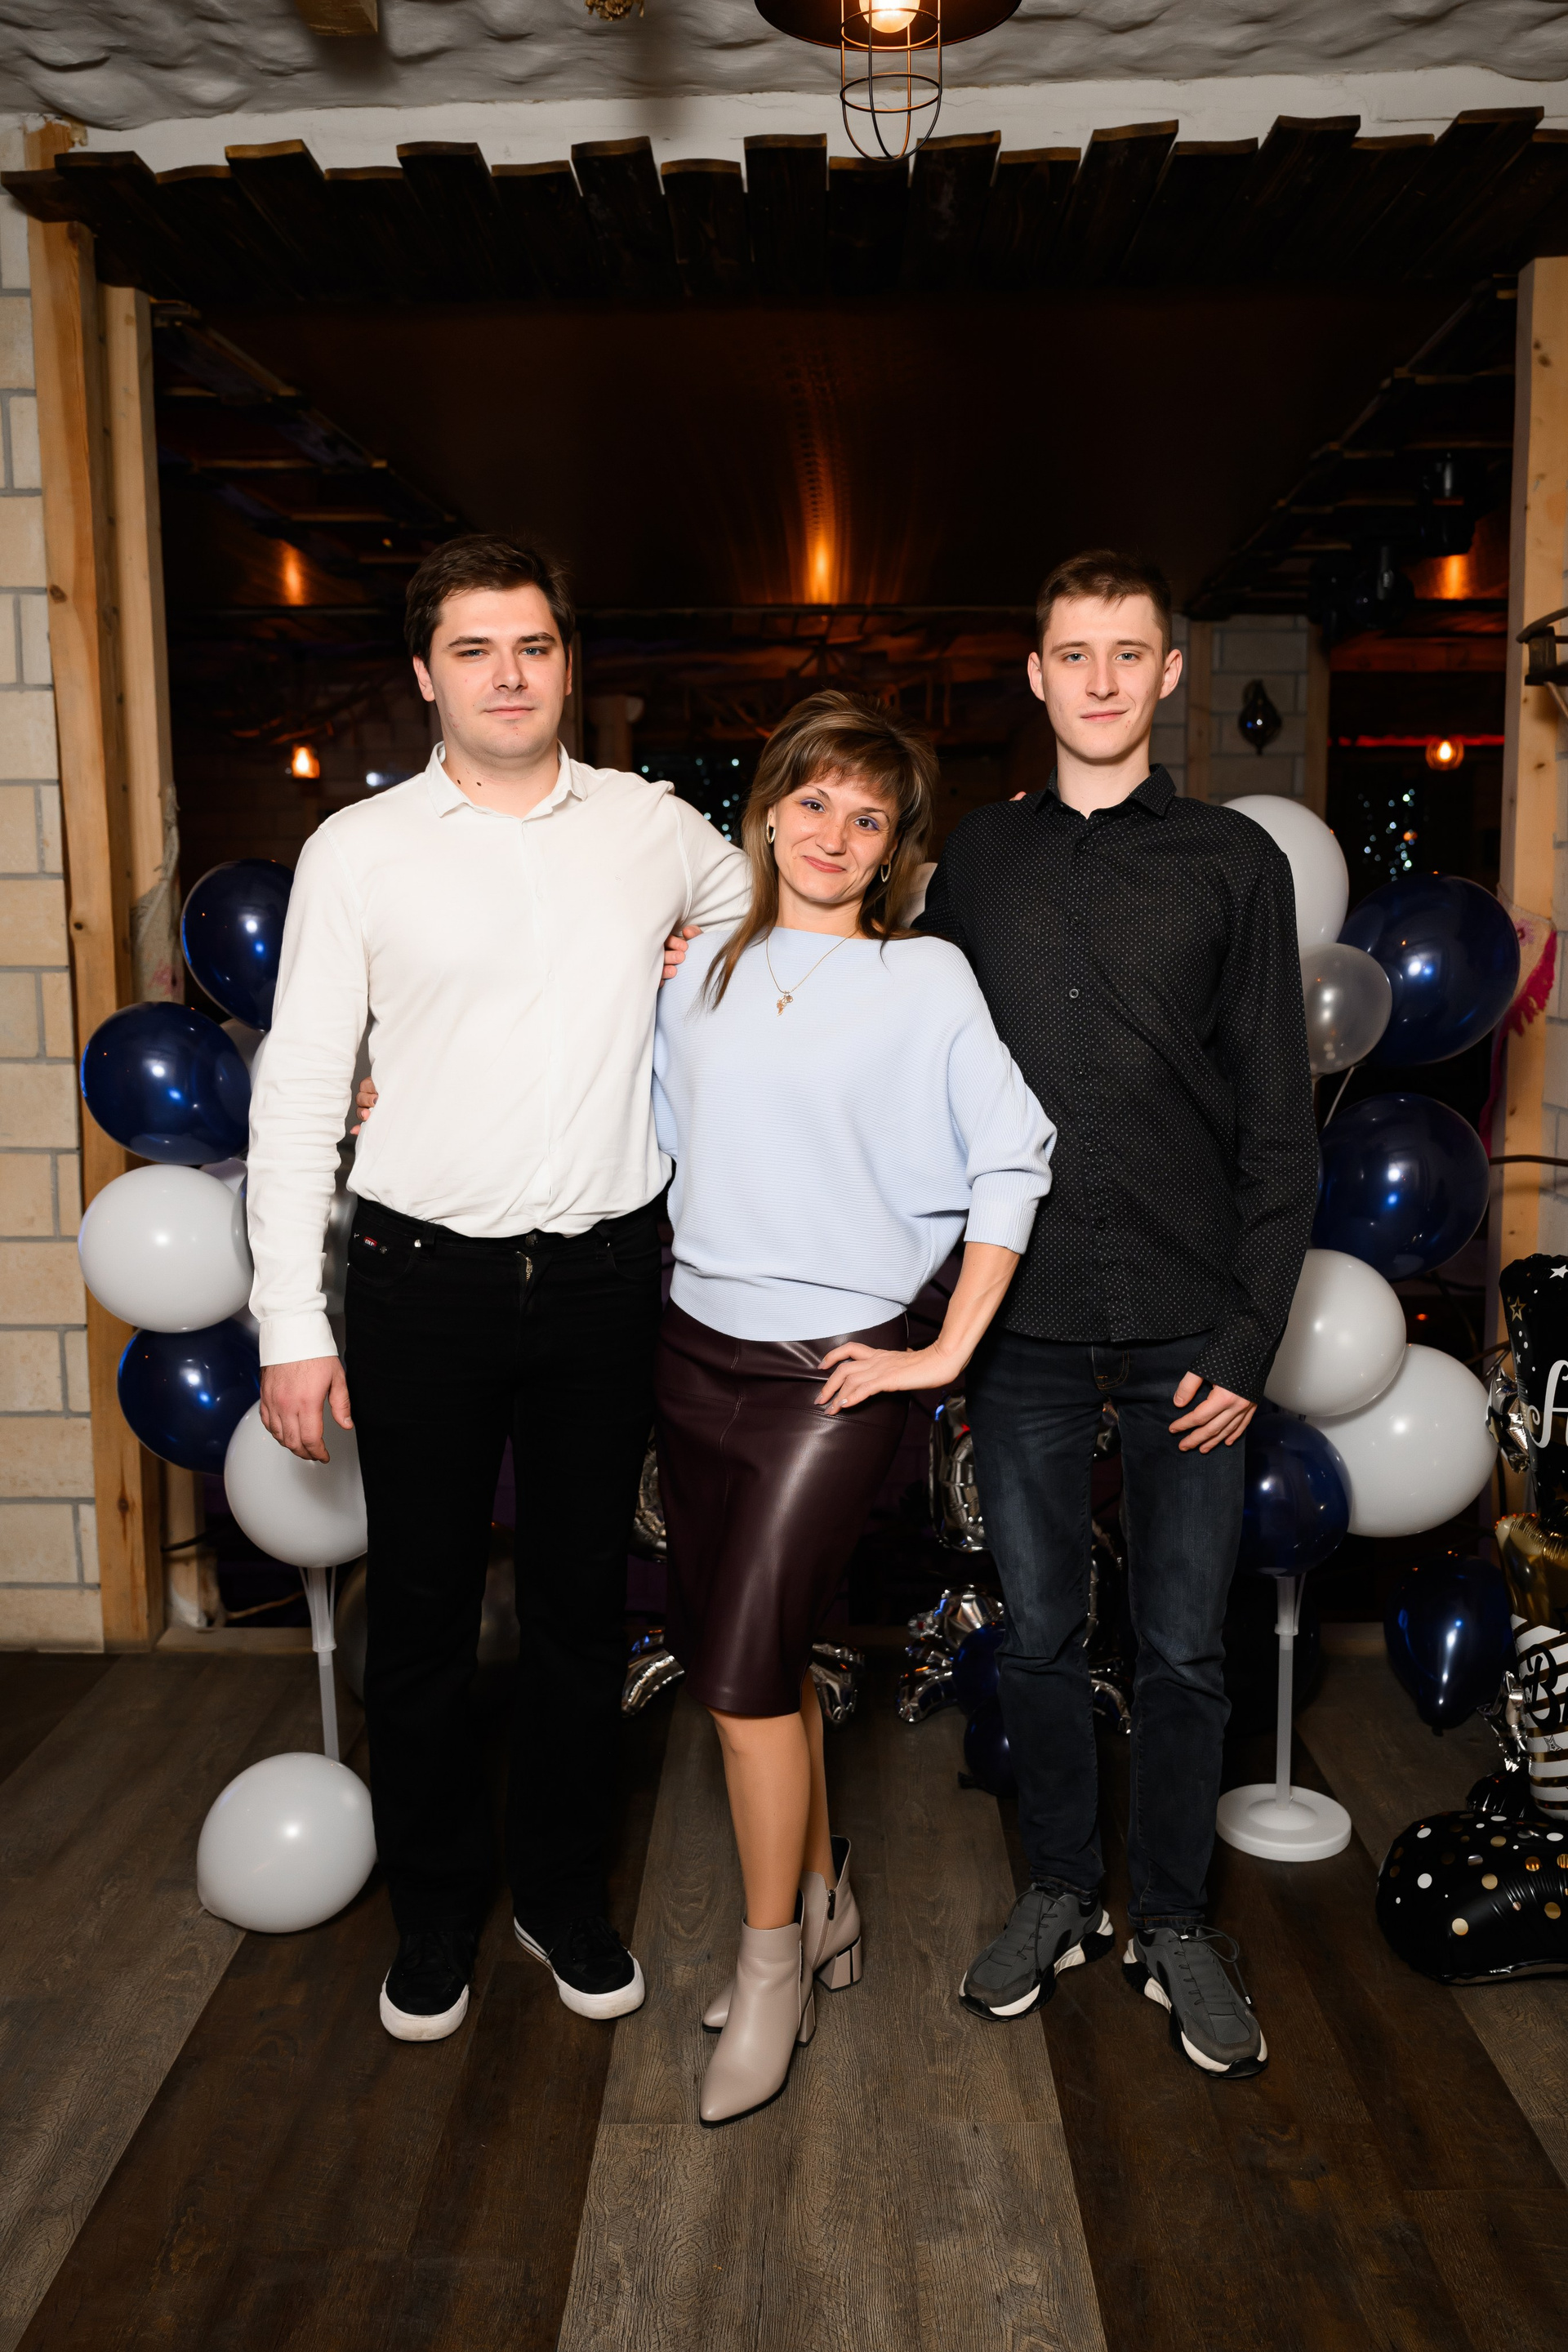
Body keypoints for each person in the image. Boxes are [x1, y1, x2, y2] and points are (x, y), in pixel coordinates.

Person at [245, 532, 751, 2043]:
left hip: (605, 1277)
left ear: (568, 664)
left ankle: (562, 1895)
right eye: (474, 650)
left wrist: (699, 955)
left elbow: (768, 912)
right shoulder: (358, 851)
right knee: (422, 1614)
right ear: (426, 674)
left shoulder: (654, 829)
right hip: (420, 1283)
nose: (508, 675)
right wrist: (290, 1322)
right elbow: (298, 1089)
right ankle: (436, 1911)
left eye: (533, 646)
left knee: (584, 1608)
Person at [924, 550, 1318, 2078]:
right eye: (1072, 654)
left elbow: (1280, 1128)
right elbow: (908, 1059)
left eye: (1127, 653)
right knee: (1036, 1633)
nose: (1100, 680)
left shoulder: (1234, 862)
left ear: (1169, 674)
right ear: (1036, 674)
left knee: (1183, 1649)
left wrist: (1247, 1337)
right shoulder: (978, 861)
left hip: (1188, 1324)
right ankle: (1056, 1893)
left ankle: (1175, 1919)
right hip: (1020, 1317)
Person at [649, 689, 1055, 2124]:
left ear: (895, 852)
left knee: (741, 1681)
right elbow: (641, 1133)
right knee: (756, 1658)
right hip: (691, 1352)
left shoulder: (924, 979)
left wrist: (944, 1350)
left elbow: (1014, 1153)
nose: (834, 833)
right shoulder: (695, 973)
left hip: (832, 1372)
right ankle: (824, 1907)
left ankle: (769, 1967)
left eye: (867, 817)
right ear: (764, 814)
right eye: (812, 801)